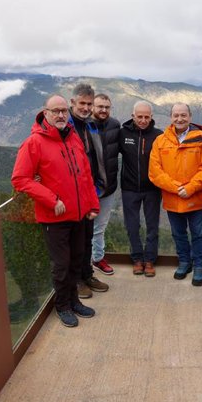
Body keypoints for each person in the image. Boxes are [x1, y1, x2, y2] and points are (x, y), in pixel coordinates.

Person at [11, 94, 100, 328]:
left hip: (79, 214)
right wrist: (51, 199)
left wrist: (93, 204)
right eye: (56, 111)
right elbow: (20, 179)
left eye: (64, 111)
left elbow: (85, 175)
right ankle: (62, 306)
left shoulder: (72, 139)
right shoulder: (34, 143)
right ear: (46, 113)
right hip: (55, 217)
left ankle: (74, 301)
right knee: (61, 265)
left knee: (76, 261)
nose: (61, 115)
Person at [149, 103, 202, 286]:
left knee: (198, 233)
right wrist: (177, 188)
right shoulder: (160, 141)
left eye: (183, 115)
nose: (179, 119)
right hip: (173, 197)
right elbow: (155, 172)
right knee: (178, 233)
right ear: (171, 117)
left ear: (190, 117)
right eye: (176, 115)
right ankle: (184, 262)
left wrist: (191, 188)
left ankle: (199, 265)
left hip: (195, 197)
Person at [68, 83, 109, 298]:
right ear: (72, 102)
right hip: (72, 195)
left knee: (87, 237)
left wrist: (99, 185)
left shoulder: (90, 125)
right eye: (82, 103)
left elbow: (95, 158)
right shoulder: (65, 126)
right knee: (75, 241)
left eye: (89, 104)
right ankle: (76, 281)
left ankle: (86, 274)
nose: (85, 107)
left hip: (90, 191)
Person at [118, 101, 163, 277]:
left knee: (152, 226)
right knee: (132, 226)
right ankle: (137, 259)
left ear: (151, 117)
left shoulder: (159, 136)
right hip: (129, 188)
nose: (143, 120)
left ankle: (150, 260)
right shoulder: (123, 134)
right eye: (140, 117)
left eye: (147, 117)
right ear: (133, 116)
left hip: (152, 189)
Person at [90, 93, 121, 276]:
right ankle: (85, 266)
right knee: (85, 229)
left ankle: (98, 258)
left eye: (106, 107)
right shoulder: (84, 126)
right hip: (88, 188)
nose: (103, 110)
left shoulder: (115, 125)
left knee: (100, 227)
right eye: (100, 106)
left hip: (108, 188)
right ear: (93, 107)